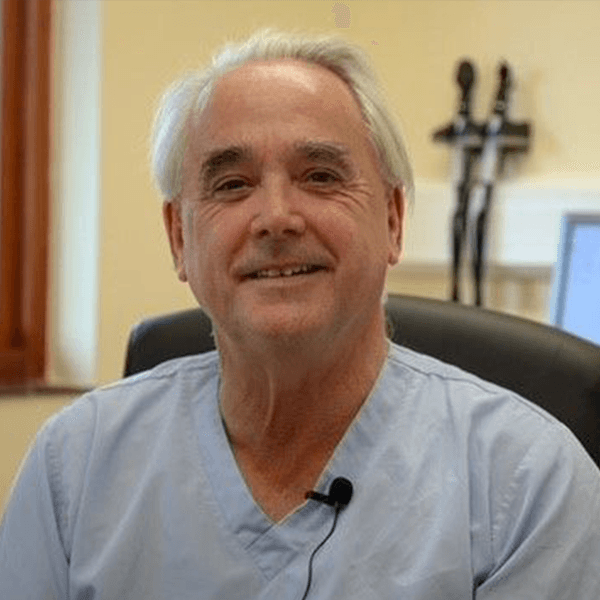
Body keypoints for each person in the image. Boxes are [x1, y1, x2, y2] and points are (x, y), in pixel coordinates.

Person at [1, 29, 599, 599]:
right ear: (178, 238)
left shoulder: (528, 486)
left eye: (320, 176)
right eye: (232, 185)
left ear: (393, 220)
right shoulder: (74, 469)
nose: (276, 217)